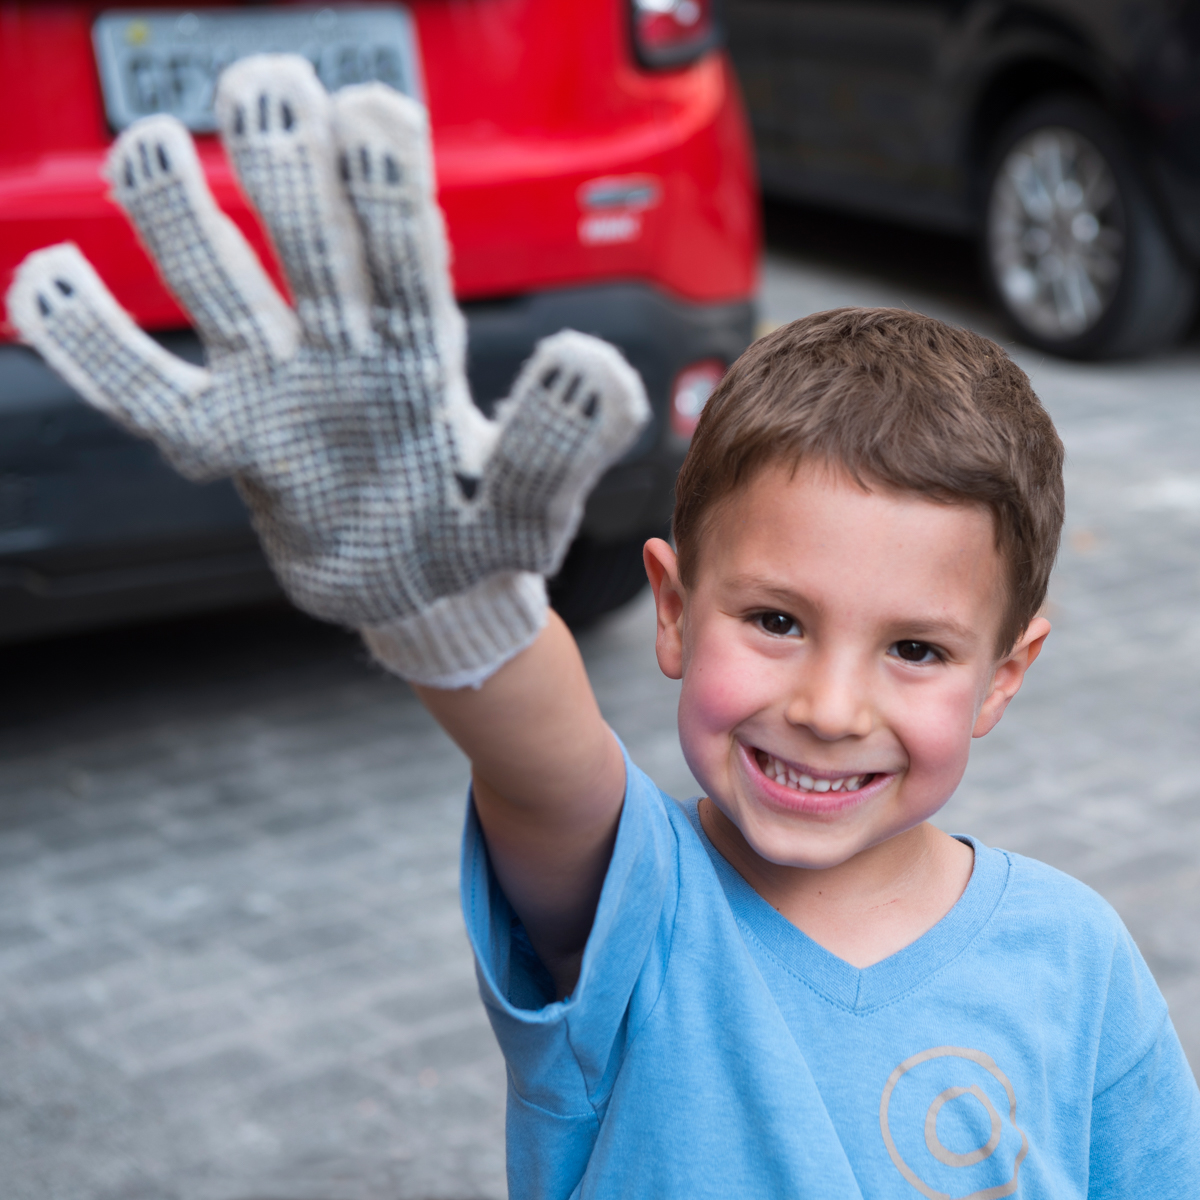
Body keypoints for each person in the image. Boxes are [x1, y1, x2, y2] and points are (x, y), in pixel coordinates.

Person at [9, 55, 1199, 1200]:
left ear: (1006, 675)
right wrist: (452, 609)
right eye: (776, 619)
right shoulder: (633, 903)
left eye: (917, 649)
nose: (831, 709)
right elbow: (539, 756)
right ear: (673, 610)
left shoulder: (1077, 956)